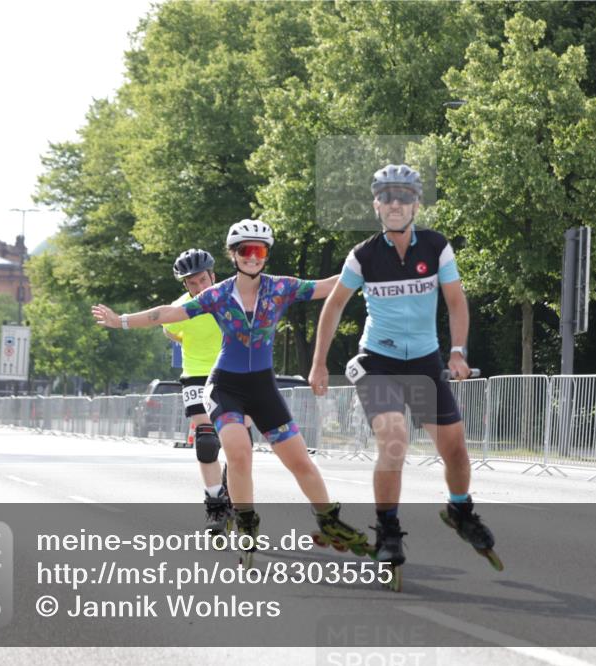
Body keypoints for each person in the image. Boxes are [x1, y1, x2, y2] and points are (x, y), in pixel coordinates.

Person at [93, 219, 369, 558]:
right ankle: (246, 519)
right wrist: (120, 320)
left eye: (259, 250)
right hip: (225, 386)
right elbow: (168, 313)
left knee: (300, 462)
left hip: (263, 387)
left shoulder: (280, 287)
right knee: (239, 453)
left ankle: (329, 519)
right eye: (244, 251)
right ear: (233, 255)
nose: (252, 257)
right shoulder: (218, 295)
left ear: (266, 254)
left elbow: (327, 286)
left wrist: (366, 263)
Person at [308, 163, 500, 576]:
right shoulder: (363, 255)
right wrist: (319, 363)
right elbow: (335, 304)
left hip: (426, 364)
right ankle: (389, 530)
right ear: (376, 205)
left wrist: (458, 351)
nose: (396, 204)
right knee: (394, 438)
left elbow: (455, 300)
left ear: (416, 204)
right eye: (387, 197)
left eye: (405, 197)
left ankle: (460, 511)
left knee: (456, 451)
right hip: (378, 362)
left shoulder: (435, 246)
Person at [163, 248, 235, 534]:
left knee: (233, 441)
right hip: (195, 375)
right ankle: (216, 505)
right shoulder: (179, 310)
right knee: (206, 443)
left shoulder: (232, 298)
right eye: (191, 283)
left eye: (202, 280)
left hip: (232, 372)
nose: (198, 287)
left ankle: (231, 487)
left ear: (212, 276)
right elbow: (170, 331)